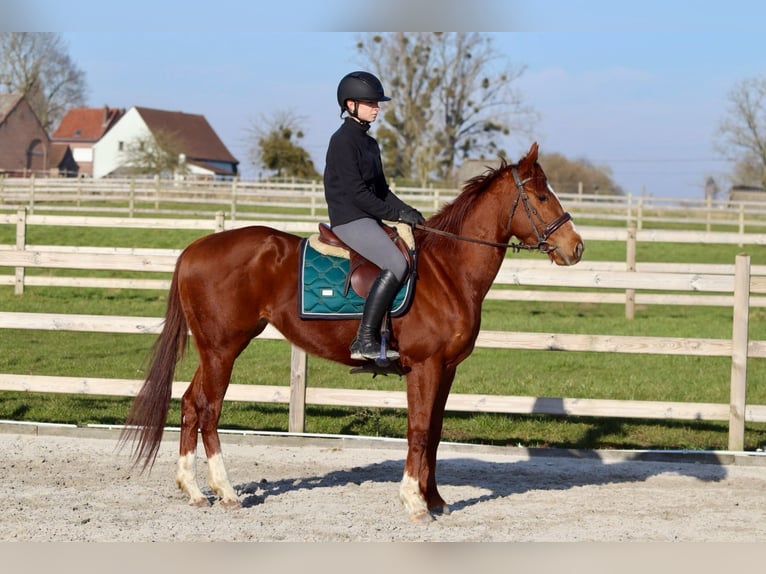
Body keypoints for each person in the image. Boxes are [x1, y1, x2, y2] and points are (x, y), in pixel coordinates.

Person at [323, 70, 425, 362]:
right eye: (370, 103)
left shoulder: (369, 143)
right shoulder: (342, 141)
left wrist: (407, 211)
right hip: (349, 219)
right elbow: (358, 195)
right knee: (395, 261)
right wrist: (394, 213)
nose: (377, 107)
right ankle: (364, 340)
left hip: (368, 216)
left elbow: (381, 190)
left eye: (377, 103)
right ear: (351, 104)